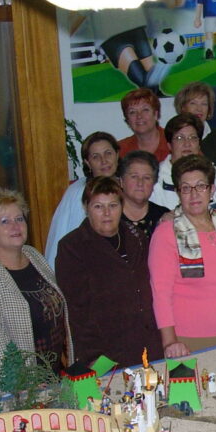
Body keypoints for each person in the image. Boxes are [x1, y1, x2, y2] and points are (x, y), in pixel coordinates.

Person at [55, 176, 161, 367]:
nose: (107, 213)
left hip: (149, 345)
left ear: (121, 206)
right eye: (98, 206)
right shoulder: (72, 247)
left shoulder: (136, 237)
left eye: (113, 205)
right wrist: (93, 357)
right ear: (86, 208)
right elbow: (76, 310)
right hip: (104, 353)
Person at [148, 155, 216, 357]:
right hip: (190, 338)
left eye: (201, 186)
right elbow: (160, 293)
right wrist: (170, 342)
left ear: (212, 190)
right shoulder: (166, 233)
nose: (194, 194)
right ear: (178, 193)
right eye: (186, 188)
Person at [0, 189, 72, 378]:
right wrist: (26, 389)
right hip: (23, 386)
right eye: (5, 221)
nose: (15, 226)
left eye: (19, 219)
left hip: (57, 377)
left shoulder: (33, 255)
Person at [44, 131, 120, 268]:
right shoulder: (79, 192)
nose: (104, 161)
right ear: (87, 163)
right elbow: (67, 240)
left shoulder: (128, 185)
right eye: (96, 157)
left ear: (117, 155)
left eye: (108, 153)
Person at [150, 113, 216, 211]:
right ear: (169, 145)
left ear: (199, 144)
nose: (187, 144)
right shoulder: (155, 178)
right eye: (180, 138)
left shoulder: (214, 173)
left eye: (193, 137)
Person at [118, 151, 170, 240]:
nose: (140, 183)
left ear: (154, 183)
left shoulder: (163, 216)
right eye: (134, 176)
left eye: (146, 178)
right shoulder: (109, 215)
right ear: (121, 181)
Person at [175, 81, 216, 165]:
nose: (199, 109)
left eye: (204, 104)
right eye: (193, 103)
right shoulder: (174, 134)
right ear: (183, 107)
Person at [117, 88, 169, 162]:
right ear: (127, 120)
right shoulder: (120, 150)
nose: (139, 116)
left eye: (145, 110)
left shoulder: (173, 142)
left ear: (155, 114)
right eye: (132, 112)